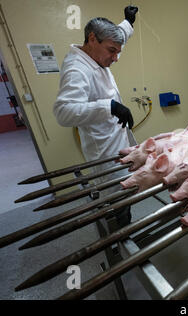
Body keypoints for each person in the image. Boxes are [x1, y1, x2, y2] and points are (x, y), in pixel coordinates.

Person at [54, 6, 139, 229]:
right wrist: (108, 106)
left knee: (128, 189)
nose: (116, 57)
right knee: (117, 199)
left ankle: (125, 221)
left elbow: (119, 36)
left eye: (118, 51)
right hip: (105, 152)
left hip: (118, 141)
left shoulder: (99, 52)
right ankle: (121, 237)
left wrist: (128, 22)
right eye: (112, 51)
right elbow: (63, 112)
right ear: (92, 39)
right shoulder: (76, 69)